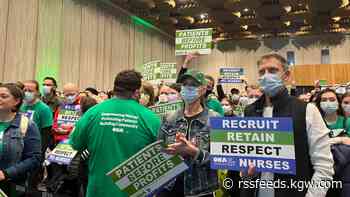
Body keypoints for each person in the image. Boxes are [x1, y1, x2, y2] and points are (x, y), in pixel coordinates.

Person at [241, 54, 334, 197]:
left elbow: (324, 167)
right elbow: (246, 162)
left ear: (287, 75)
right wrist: (247, 174)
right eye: (262, 72)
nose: (266, 76)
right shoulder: (249, 111)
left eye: (272, 70)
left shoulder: (306, 110)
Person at [69, 70, 161, 197]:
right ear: (136, 92)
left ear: (115, 88)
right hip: (135, 191)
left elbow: (75, 144)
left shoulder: (92, 113)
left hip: (98, 190)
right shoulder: (151, 119)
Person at [158, 69, 220, 197]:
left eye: (193, 85)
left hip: (200, 189)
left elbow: (221, 160)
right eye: (185, 85)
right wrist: (169, 151)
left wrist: (194, 152)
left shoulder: (216, 120)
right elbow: (159, 151)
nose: (187, 88)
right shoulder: (169, 118)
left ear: (203, 89)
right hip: (169, 187)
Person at [0, 83, 41, 196]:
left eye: (3, 96)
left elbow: (34, 158)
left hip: (12, 187)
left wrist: (6, 174)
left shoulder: (27, 125)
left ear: (16, 101)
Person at [20, 80, 53, 192]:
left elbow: (46, 134)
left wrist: (40, 153)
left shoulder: (44, 109)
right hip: (20, 148)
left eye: (30, 90)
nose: (27, 92)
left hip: (35, 150)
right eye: (25, 90)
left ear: (37, 92)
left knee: (31, 184)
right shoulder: (21, 106)